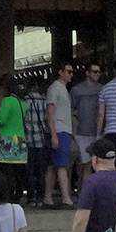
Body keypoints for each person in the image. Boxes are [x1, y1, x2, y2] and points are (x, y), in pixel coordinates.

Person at [21, 76, 55, 206]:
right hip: (41, 138)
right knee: (41, 170)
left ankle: (31, 198)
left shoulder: (25, 101)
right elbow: (47, 118)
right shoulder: (44, 100)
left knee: (29, 170)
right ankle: (41, 197)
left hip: (28, 139)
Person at [46, 62, 76, 208]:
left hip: (63, 129)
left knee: (53, 165)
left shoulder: (63, 89)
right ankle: (65, 197)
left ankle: (48, 196)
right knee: (62, 165)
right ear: (60, 72)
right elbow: (50, 112)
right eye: (68, 71)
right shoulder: (55, 89)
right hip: (59, 129)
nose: (71, 74)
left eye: (71, 72)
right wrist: (53, 134)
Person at [70, 62, 105, 186]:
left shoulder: (103, 89)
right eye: (95, 71)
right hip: (81, 132)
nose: (97, 74)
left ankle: (85, 192)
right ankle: (82, 191)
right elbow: (71, 111)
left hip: (97, 132)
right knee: (83, 164)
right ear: (87, 73)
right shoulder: (77, 90)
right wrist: (74, 131)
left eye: (99, 72)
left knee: (92, 165)